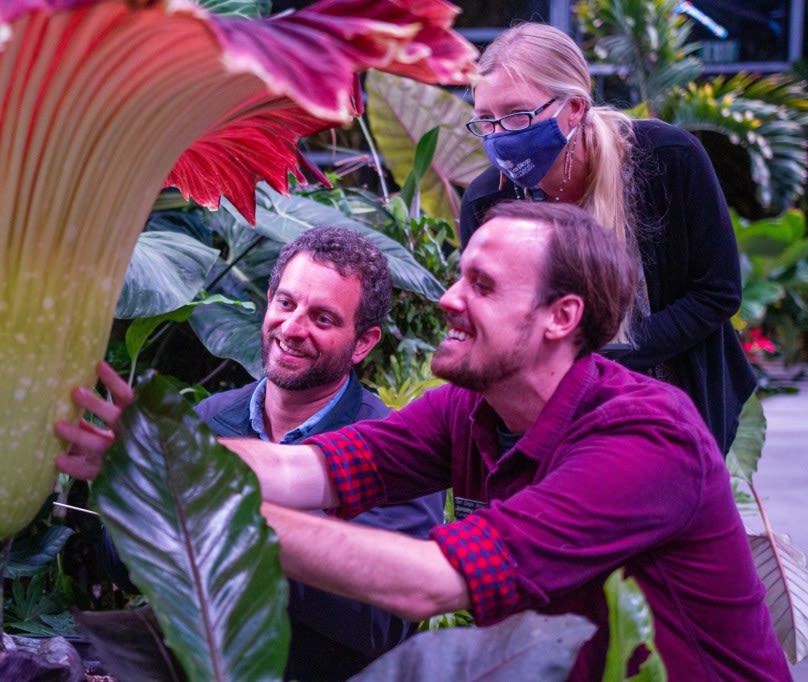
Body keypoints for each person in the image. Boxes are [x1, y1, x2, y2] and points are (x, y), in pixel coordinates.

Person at [58, 202, 790, 681]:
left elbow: (428, 581)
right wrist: (154, 454)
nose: (446, 299)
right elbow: (300, 469)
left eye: (482, 285)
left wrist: (185, 497)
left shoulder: (643, 439)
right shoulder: (466, 413)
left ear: (560, 317)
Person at [91, 226, 445, 681]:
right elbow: (121, 561)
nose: (292, 328)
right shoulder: (208, 420)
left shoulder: (393, 447)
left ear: (363, 343)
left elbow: (378, 621)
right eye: (286, 303)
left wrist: (221, 523)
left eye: (322, 319)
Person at [459, 22, 755, 455]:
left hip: (678, 401)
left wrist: (605, 360)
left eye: (518, 115)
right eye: (486, 121)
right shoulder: (488, 200)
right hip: (548, 415)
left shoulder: (666, 159)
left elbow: (717, 291)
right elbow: (489, 315)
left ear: (574, 108)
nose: (501, 136)